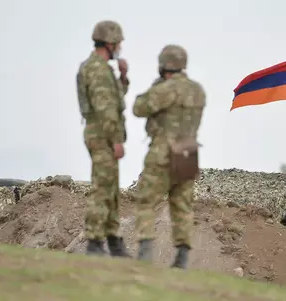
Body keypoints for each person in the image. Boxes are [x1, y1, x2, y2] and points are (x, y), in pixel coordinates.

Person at [132, 44, 206, 269]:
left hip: (163, 152)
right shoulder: (198, 90)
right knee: (182, 205)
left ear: (164, 64)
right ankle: (181, 258)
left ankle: (145, 254)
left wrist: (155, 87)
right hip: (188, 152)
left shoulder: (166, 89)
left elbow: (139, 108)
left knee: (146, 200)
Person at [76, 20, 130, 257]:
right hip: (103, 135)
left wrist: (124, 77)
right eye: (118, 43)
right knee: (102, 187)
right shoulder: (97, 69)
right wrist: (116, 140)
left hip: (102, 133)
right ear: (109, 43)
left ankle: (113, 241)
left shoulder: (101, 68)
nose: (120, 47)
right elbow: (106, 108)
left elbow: (115, 98)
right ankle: (95, 242)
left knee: (110, 188)